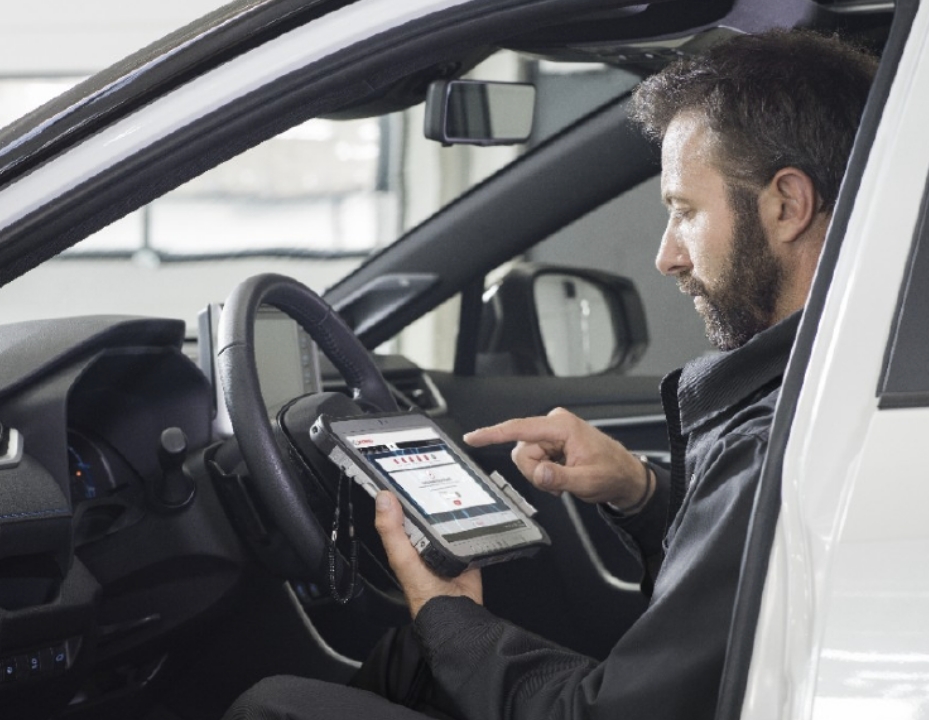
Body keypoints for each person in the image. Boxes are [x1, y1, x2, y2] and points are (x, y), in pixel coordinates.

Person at [225, 29, 877, 720]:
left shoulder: (776, 442)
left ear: (787, 205)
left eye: (684, 212)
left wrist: (445, 610)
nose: (666, 257)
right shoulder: (832, 387)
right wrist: (639, 491)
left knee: (276, 707)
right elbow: (739, 590)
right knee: (410, 658)